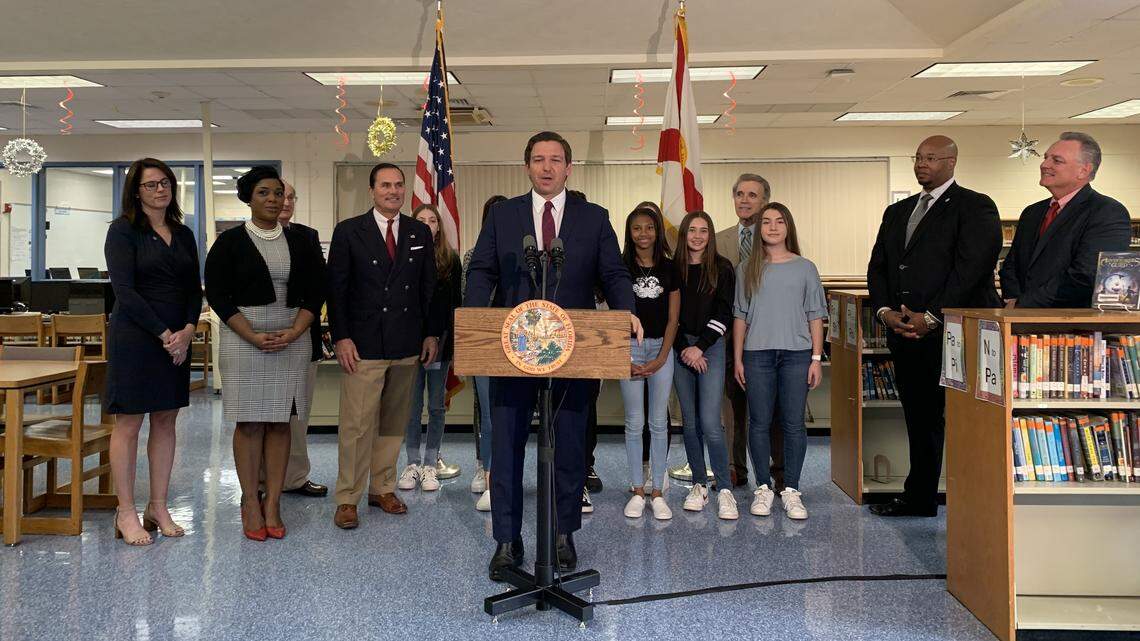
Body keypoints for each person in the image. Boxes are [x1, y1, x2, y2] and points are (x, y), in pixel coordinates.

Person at [465, 131, 640, 581]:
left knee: (569, 444)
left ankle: (564, 533)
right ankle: (507, 540)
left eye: (555, 160)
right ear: (527, 166)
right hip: (512, 349)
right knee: (506, 445)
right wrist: (472, 318)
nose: (547, 167)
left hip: (574, 350)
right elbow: (481, 270)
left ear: (569, 168)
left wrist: (626, 312)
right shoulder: (503, 215)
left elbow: (614, 273)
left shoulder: (594, 218)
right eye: (539, 159)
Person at [867, 135, 1002, 517]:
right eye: (918, 158)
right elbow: (879, 266)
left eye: (930, 158)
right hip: (906, 335)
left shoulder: (975, 206)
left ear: (951, 161)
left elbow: (971, 269)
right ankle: (920, 497)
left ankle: (977, 503)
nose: (921, 164)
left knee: (969, 421)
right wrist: (884, 312)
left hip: (956, 333)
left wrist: (931, 316)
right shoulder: (898, 211)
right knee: (919, 418)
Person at [204, 166, 325, 540]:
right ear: (248, 198)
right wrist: (252, 335)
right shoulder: (229, 242)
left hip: (292, 337)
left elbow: (317, 291)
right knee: (250, 423)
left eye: (278, 193)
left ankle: (273, 502)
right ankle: (250, 502)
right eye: (263, 193)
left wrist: (296, 331)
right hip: (244, 339)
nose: (273, 199)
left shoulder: (301, 241)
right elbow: (218, 294)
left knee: (280, 422)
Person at [326, 163, 441, 529]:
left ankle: (382, 488)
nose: (393, 191)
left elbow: (429, 287)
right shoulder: (349, 232)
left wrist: (431, 333)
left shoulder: (418, 231)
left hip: (406, 342)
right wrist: (341, 337)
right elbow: (336, 290)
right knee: (357, 426)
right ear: (372, 190)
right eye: (385, 185)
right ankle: (348, 497)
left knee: (393, 423)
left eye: (398, 185)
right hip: (363, 345)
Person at [104, 158, 203, 546]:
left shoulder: (183, 233)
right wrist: (165, 334)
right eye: (151, 184)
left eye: (165, 183)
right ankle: (126, 511)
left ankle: (158, 506)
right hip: (137, 337)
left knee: (166, 419)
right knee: (129, 423)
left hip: (178, 339)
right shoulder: (123, 231)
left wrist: (188, 330)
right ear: (135, 191)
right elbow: (125, 292)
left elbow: (193, 289)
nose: (160, 190)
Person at [732, 203, 826, 520]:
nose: (773, 227)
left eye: (780, 221)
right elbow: (740, 317)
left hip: (797, 355)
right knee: (758, 422)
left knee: (793, 423)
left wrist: (816, 358)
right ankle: (762, 487)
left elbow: (815, 316)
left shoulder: (805, 268)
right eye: (767, 222)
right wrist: (738, 359)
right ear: (758, 229)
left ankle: (792, 490)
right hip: (757, 354)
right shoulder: (746, 268)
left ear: (788, 227)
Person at [999, 131, 1131, 308]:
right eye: (1045, 158)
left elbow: (1087, 275)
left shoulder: (1107, 212)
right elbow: (1011, 264)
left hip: (1069, 320)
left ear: (1083, 171)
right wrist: (1012, 299)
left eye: (1057, 160)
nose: (1044, 164)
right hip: (1018, 317)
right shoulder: (1032, 213)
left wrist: (1024, 303)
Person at [716, 174, 783, 490]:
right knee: (732, 406)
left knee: (771, 407)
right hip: (727, 336)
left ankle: (779, 472)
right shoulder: (718, 240)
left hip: (767, 336)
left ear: (765, 201)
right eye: (739, 194)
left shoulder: (776, 238)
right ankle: (734, 469)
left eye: (752, 195)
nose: (744, 200)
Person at [673, 210, 737, 519]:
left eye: (703, 231)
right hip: (680, 348)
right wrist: (685, 349)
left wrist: (699, 348)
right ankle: (698, 484)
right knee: (690, 422)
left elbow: (725, 313)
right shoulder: (673, 269)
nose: (697, 236)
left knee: (711, 422)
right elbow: (669, 315)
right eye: (692, 230)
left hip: (710, 347)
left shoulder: (722, 268)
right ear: (684, 234)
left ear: (710, 235)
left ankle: (724, 488)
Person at [620, 206, 679, 520]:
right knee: (634, 422)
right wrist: (624, 356)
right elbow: (615, 315)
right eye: (636, 228)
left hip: (661, 349)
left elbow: (673, 320)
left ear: (657, 231)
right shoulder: (621, 268)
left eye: (649, 227)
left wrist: (660, 358)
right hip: (628, 348)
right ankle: (636, 490)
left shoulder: (670, 268)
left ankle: (657, 491)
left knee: (658, 422)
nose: (643, 234)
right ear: (629, 233)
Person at [398, 204, 461, 492]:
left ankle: (430, 463)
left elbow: (454, 305)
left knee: (436, 406)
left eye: (432, 220)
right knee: (412, 407)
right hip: (410, 343)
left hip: (442, 344)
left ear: (439, 226)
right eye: (421, 220)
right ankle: (412, 463)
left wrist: (447, 341)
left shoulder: (451, 259)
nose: (427, 224)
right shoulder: (403, 256)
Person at [275, 180, 328, 498]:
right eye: (280, 195)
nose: (286, 201)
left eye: (291, 197)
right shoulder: (244, 238)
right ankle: (262, 481)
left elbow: (319, 285)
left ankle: (294, 477)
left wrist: (298, 326)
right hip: (261, 339)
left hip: (302, 335)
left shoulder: (307, 236)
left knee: (298, 415)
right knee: (264, 415)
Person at [463, 194, 507, 512]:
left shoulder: (523, 255)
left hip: (519, 344)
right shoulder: (473, 256)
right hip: (484, 341)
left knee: (511, 417)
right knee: (489, 416)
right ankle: (491, 477)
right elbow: (469, 299)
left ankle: (507, 476)